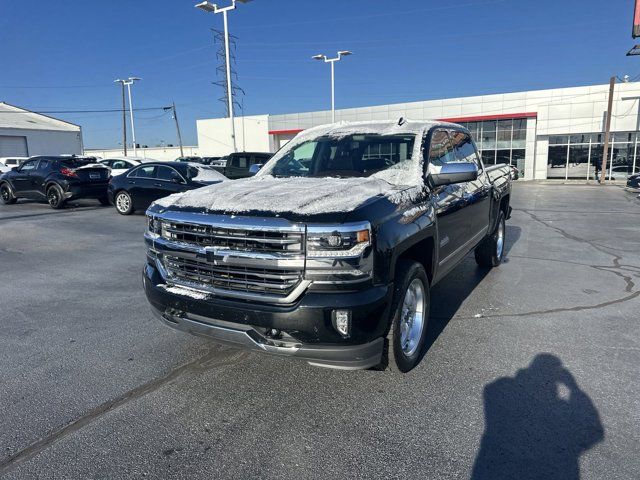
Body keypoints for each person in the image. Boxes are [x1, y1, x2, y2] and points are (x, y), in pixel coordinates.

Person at [471, 354, 604, 480]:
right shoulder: (498, 386)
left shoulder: (497, 385)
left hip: (494, 459)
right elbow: (595, 434)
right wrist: (574, 388)